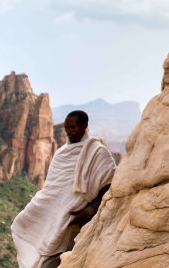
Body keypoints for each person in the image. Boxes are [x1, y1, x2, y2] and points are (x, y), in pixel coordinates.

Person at [11, 110, 117, 268]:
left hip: (80, 215)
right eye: (67, 128)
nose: (69, 131)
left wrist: (87, 211)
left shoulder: (98, 152)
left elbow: (110, 186)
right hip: (55, 207)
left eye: (73, 127)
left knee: (56, 257)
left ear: (84, 126)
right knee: (21, 223)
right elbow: (52, 188)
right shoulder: (61, 153)